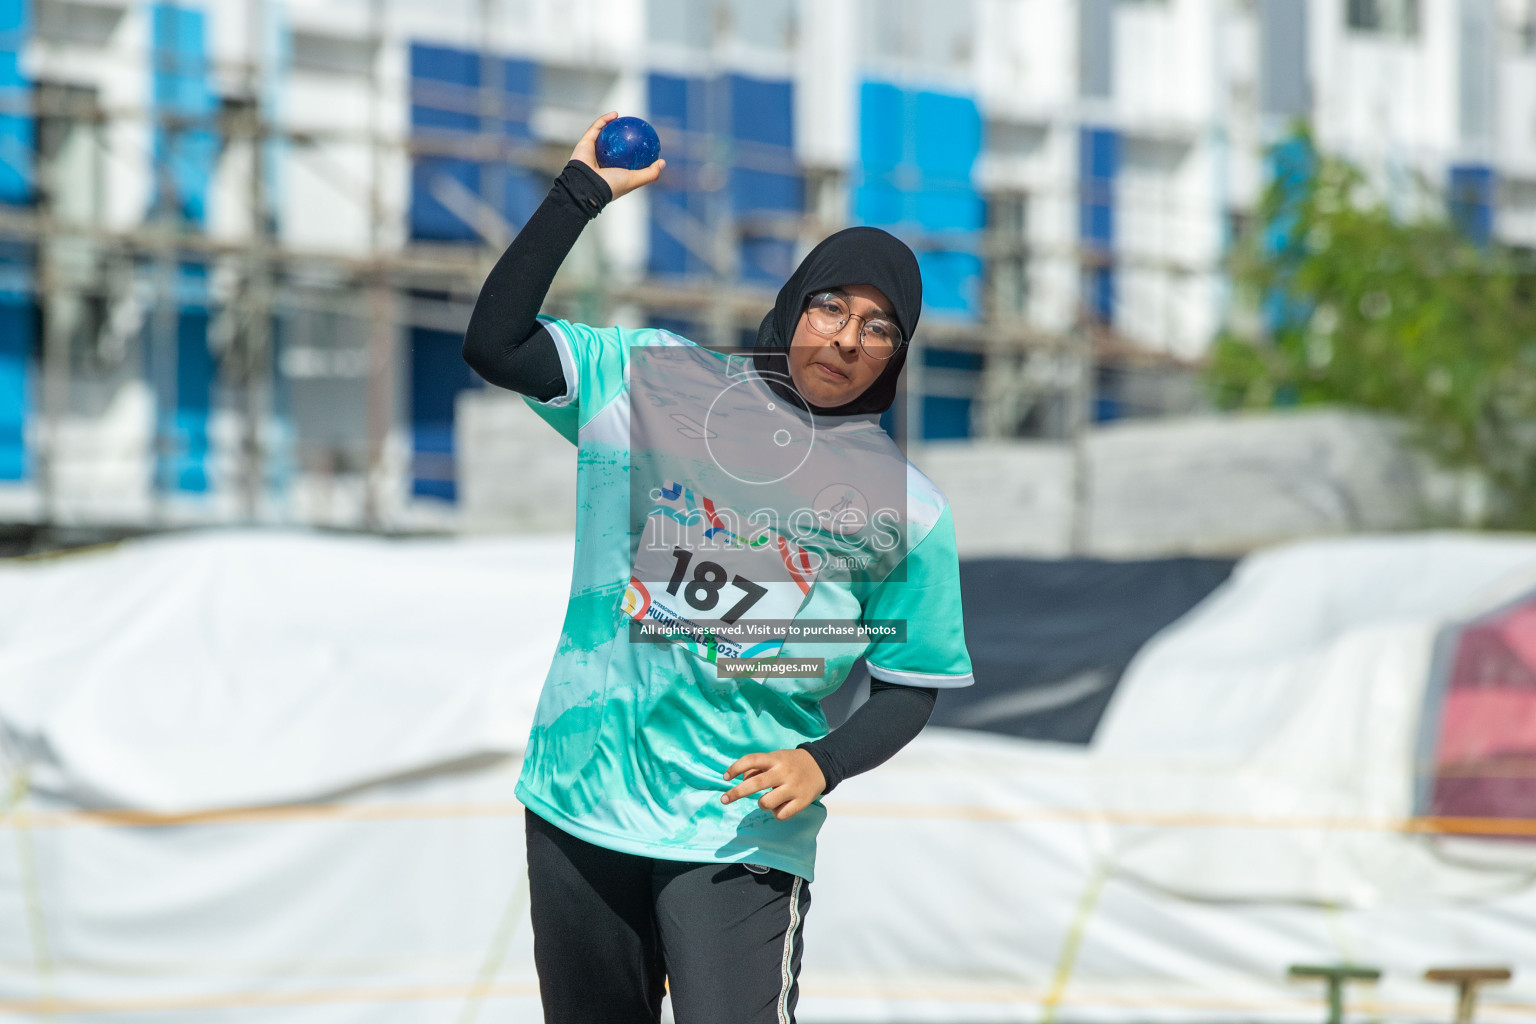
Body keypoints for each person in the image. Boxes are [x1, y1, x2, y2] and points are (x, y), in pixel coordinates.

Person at [462, 112, 973, 1024]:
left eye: (879, 326)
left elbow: (910, 684)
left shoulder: (911, 507)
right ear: (793, 301)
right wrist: (578, 196)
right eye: (831, 307)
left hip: (738, 829)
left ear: (899, 352)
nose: (848, 339)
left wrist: (825, 760)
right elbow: (495, 342)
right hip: (583, 798)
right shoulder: (652, 380)